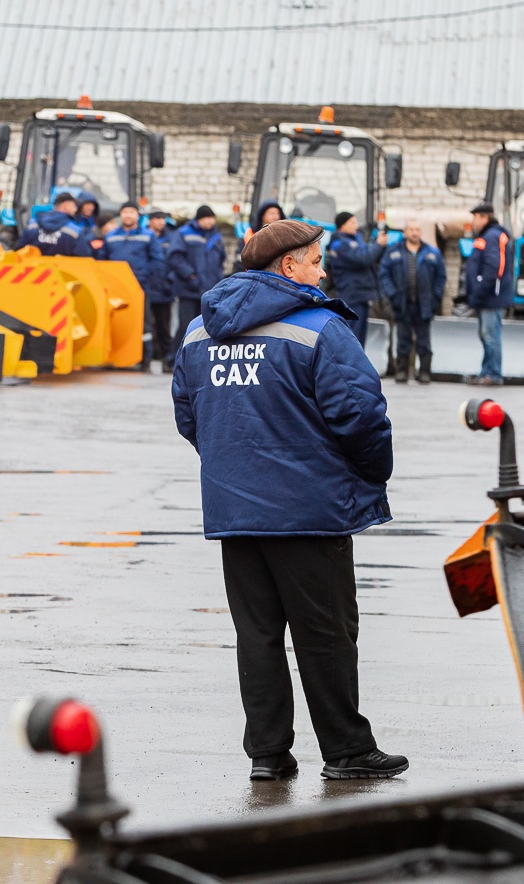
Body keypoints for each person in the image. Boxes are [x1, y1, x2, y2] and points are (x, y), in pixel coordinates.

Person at [171, 219, 407, 783]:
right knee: (325, 634)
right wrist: (371, 473)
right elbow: (361, 418)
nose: (323, 271)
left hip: (235, 511)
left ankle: (268, 755)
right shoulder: (320, 328)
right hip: (309, 510)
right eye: (316, 259)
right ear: (288, 267)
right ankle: (347, 750)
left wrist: (233, 465)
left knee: (257, 634)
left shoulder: (200, 330)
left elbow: (189, 417)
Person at [97, 202, 166, 367]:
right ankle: (113, 356)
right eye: (125, 212)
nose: (128, 215)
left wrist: (143, 277)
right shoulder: (111, 236)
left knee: (143, 325)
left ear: (137, 215)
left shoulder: (148, 236)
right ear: (120, 215)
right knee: (116, 322)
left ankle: (143, 359)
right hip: (114, 290)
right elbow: (101, 261)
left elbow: (157, 261)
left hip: (139, 288)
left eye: (132, 212)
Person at [379, 220, 446, 384]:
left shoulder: (432, 252)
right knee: (403, 340)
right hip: (402, 303)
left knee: (424, 341)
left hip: (424, 305)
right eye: (411, 230)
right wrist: (392, 295)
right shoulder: (393, 252)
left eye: (417, 229)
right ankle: (402, 372)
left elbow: (441, 278)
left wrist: (435, 298)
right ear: (405, 232)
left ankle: (424, 373)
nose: (415, 233)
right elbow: (384, 274)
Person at [167, 205, 226, 370]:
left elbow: (220, 261)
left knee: (206, 328)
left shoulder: (216, 236)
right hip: (188, 289)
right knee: (186, 326)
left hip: (210, 291)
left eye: (211, 217)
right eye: (206, 218)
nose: (209, 221)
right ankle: (173, 360)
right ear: (199, 219)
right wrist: (190, 276)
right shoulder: (184, 233)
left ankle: (198, 363)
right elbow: (174, 257)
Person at [465, 202, 513, 385]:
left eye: (475, 217)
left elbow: (494, 267)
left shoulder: (492, 236)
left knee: (491, 336)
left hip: (490, 297)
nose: (473, 221)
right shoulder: (487, 236)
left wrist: (479, 290)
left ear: (484, 217)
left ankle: (493, 374)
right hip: (487, 296)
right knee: (487, 335)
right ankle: (486, 371)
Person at [327, 211, 388, 345]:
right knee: (352, 338)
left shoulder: (355, 240)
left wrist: (374, 242)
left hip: (361, 296)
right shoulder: (339, 244)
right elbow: (363, 258)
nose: (356, 225)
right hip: (351, 297)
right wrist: (378, 245)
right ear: (342, 225)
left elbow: (365, 253)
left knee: (360, 339)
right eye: (352, 222)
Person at [147, 211, 181, 373]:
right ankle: (148, 356)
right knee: (147, 325)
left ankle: (167, 359)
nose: (160, 222)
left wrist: (170, 281)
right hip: (147, 287)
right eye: (157, 219)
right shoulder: (145, 236)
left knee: (163, 325)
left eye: (162, 219)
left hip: (164, 289)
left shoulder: (171, 238)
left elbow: (174, 262)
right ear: (150, 221)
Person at [16, 192, 93, 257]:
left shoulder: (33, 224)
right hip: (62, 273)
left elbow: (20, 251)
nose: (76, 209)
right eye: (74, 206)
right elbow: (84, 256)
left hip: (33, 272)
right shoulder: (74, 231)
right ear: (65, 205)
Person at [231, 199, 285, 274]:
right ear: (263, 216)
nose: (275, 217)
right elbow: (240, 260)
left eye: (277, 213)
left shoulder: (284, 236)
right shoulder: (250, 234)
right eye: (271, 213)